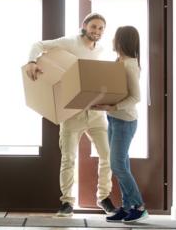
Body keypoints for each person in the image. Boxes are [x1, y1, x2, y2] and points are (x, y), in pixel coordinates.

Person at [25, 13, 116, 217]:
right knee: (68, 158)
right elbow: (38, 44)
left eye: (101, 28)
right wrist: (31, 61)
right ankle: (67, 202)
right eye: (94, 27)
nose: (97, 31)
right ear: (84, 26)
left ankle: (104, 198)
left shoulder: (101, 50)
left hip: (95, 113)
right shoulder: (69, 42)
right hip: (71, 113)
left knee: (107, 156)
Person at [91, 26, 149, 223]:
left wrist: (113, 106)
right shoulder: (120, 61)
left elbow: (136, 97)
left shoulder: (130, 64)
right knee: (121, 164)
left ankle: (139, 206)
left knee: (117, 165)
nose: (112, 40)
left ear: (122, 41)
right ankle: (126, 207)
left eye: (115, 37)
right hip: (114, 119)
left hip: (125, 122)